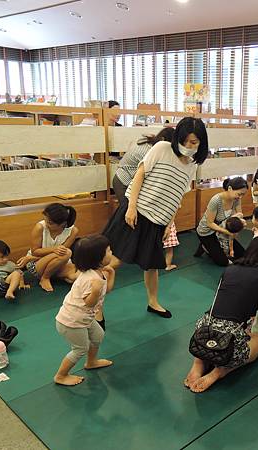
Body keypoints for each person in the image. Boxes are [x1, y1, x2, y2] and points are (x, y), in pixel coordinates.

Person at [103, 117, 208, 318]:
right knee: (115, 261)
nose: (188, 146)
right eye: (185, 141)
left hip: (158, 221)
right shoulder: (162, 148)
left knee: (152, 265)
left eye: (194, 142)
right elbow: (140, 175)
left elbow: (177, 195)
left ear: (201, 142)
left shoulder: (192, 165)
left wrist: (169, 223)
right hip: (138, 213)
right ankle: (90, 301)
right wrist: (131, 207)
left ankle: (153, 302)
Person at [184, 237, 258, 393]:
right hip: (229, 340)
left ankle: (198, 364)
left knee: (215, 337)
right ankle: (220, 371)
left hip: (202, 330)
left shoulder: (230, 269)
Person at [54, 235, 115, 386]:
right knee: (80, 348)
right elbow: (89, 303)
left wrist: (112, 274)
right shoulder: (90, 279)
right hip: (71, 322)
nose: (112, 252)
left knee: (98, 335)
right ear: (99, 258)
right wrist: (94, 291)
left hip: (84, 319)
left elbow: (107, 290)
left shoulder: (98, 272)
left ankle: (91, 362)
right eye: (108, 251)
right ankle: (60, 376)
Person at [17, 203, 79, 292]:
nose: (45, 223)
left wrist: (30, 258)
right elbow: (35, 251)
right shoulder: (40, 227)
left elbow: (59, 255)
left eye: (49, 222)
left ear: (63, 224)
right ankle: (45, 278)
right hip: (36, 263)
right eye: (45, 219)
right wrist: (32, 257)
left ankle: (53, 276)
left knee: (74, 277)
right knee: (67, 252)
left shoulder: (73, 231)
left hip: (58, 263)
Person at [112, 127, 174, 205]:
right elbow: (152, 175)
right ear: (163, 140)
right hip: (123, 181)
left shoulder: (151, 145)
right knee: (128, 211)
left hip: (129, 179)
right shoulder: (149, 152)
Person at [194, 177, 248, 266]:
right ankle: (204, 246)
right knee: (223, 262)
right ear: (230, 188)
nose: (240, 197)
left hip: (221, 229)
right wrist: (228, 232)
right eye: (239, 194)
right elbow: (209, 223)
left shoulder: (236, 199)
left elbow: (240, 213)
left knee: (243, 254)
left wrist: (240, 221)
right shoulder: (216, 200)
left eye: (243, 195)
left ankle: (211, 245)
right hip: (207, 231)